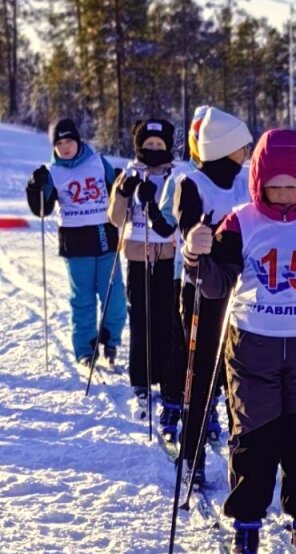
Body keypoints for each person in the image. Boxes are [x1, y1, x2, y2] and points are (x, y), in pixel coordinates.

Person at [182, 129, 296, 554]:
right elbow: (215, 284)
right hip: (251, 346)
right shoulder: (241, 221)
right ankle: (246, 523)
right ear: (258, 182)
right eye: (273, 186)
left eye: (291, 186)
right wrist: (194, 254)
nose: (282, 195)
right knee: (253, 437)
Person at [170, 107, 253, 484]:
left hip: (243, 295)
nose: (247, 152)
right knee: (201, 374)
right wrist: (194, 238)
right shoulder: (193, 183)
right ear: (225, 146)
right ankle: (191, 455)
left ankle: (245, 458)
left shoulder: (246, 182)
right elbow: (185, 224)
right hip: (203, 294)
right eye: (242, 146)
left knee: (238, 375)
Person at [25, 118, 127, 370]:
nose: (65, 147)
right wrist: (34, 187)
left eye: (69, 140)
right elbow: (43, 210)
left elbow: (118, 189)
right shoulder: (52, 172)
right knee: (82, 299)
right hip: (75, 243)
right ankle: (85, 349)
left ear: (78, 140)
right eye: (59, 143)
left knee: (114, 298)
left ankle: (110, 341)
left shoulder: (97, 162)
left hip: (105, 238)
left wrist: (125, 184)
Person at [108, 119, 181, 422]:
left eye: (159, 145)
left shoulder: (177, 175)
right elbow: (114, 218)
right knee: (140, 318)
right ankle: (140, 378)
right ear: (139, 146)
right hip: (138, 255)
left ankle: (166, 377)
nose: (153, 150)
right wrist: (123, 192)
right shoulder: (129, 171)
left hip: (167, 255)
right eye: (148, 145)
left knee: (166, 318)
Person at [155, 105, 210, 443]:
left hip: (224, 275)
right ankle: (173, 402)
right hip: (185, 273)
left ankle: (209, 405)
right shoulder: (181, 177)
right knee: (182, 342)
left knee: (213, 345)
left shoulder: (235, 176)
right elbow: (163, 226)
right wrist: (148, 205)